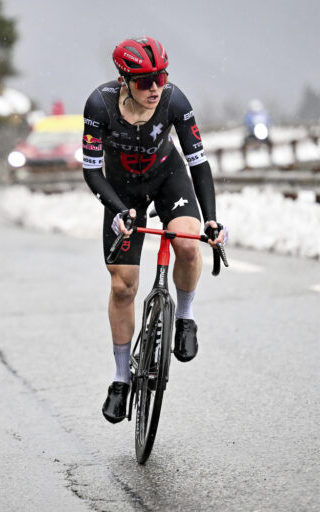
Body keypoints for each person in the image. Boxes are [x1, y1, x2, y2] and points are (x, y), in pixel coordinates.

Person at [81, 36, 227, 424]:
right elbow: (92, 170)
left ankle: (185, 316)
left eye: (160, 77)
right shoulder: (99, 106)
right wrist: (116, 210)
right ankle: (120, 379)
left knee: (187, 244)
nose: (154, 87)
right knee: (122, 286)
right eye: (144, 80)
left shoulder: (174, 101)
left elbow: (198, 163)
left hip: (168, 178)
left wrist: (210, 217)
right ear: (123, 79)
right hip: (122, 191)